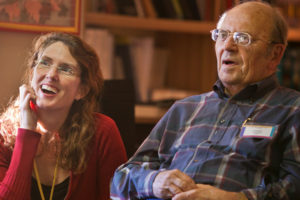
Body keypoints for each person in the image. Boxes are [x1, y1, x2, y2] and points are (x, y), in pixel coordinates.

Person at [110, 2, 300, 200]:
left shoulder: (293, 109)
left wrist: (235, 199)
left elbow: (295, 187)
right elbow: (120, 180)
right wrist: (154, 181)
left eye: (242, 38)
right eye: (221, 35)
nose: (227, 46)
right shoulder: (184, 109)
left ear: (275, 54)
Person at [0, 32, 127, 200]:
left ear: (81, 90)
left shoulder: (102, 133)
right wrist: (26, 133)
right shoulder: (5, 134)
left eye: (66, 69)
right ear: (32, 75)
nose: (51, 75)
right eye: (45, 63)